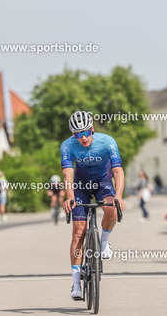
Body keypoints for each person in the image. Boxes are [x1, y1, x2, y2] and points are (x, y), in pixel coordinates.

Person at [61, 111, 126, 300]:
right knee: (78, 231)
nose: (83, 138)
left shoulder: (107, 142)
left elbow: (117, 170)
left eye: (86, 132)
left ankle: (104, 241)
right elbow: (67, 174)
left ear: (92, 129)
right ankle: (75, 283)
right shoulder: (67, 146)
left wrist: (118, 196)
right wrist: (70, 197)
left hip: (103, 183)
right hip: (80, 186)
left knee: (111, 208)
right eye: (77, 134)